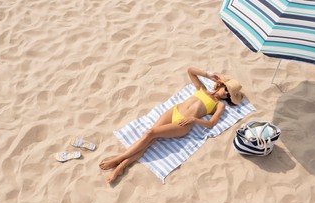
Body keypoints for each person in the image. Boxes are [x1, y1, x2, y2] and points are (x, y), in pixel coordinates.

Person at [99, 67, 243, 183]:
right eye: (227, 90)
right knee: (150, 139)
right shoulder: (202, 89)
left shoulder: (219, 105)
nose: (226, 95)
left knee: (150, 133)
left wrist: (194, 120)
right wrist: (208, 75)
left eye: (229, 96)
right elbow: (190, 70)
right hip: (173, 111)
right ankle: (122, 166)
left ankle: (118, 160)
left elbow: (211, 123)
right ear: (221, 85)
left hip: (183, 124)